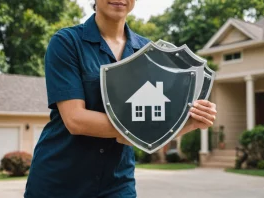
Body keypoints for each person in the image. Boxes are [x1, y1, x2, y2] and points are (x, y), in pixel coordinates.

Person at [24, 0, 217, 197]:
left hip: (116, 185)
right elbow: (75, 120)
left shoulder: (149, 53)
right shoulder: (67, 42)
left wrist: (190, 122)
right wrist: (138, 129)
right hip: (59, 183)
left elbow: (156, 126)